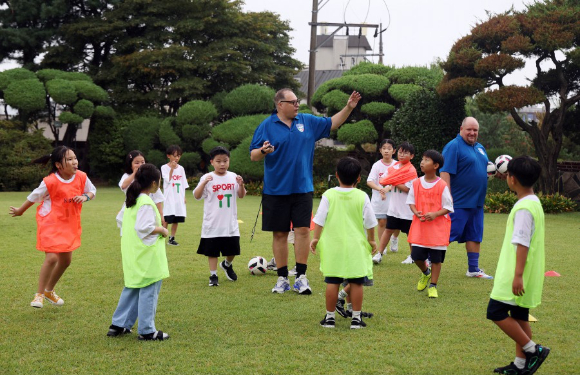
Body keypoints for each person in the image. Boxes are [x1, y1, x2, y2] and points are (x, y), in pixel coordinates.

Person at [250, 88, 361, 295]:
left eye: (297, 101)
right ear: (279, 105)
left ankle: (301, 276)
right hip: (275, 189)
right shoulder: (266, 125)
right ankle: (282, 278)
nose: (296, 105)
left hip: (302, 188)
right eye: (292, 102)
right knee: (280, 233)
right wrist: (263, 151)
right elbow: (254, 156)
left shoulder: (307, 121)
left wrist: (348, 108)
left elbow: (332, 123)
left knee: (302, 231)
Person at [9, 146, 96, 308]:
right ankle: (39, 295)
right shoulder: (50, 181)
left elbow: (92, 191)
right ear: (58, 165)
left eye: (75, 158)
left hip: (69, 224)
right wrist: (20, 210)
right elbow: (34, 196)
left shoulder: (81, 177)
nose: (74, 162)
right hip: (50, 223)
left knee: (66, 261)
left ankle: (49, 291)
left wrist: (85, 197)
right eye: (69, 159)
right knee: (52, 257)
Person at [487, 156, 550, 374]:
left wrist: (517, 275)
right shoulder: (533, 201)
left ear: (511, 179)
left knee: (495, 311)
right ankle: (520, 365)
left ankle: (534, 350)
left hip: (516, 272)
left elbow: (522, 243)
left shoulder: (524, 208)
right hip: (529, 271)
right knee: (519, 315)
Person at [310, 157, 377, 329]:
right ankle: (356, 319)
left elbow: (319, 219)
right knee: (356, 282)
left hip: (333, 246)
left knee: (332, 281)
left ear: (337, 175)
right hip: (356, 246)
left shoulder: (329, 195)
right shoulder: (362, 196)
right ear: (359, 178)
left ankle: (330, 318)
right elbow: (370, 222)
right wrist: (371, 240)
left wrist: (316, 238)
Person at [107, 163, 170, 341]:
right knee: (149, 291)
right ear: (154, 183)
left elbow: (120, 221)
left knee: (132, 288)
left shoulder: (131, 200)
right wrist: (162, 230)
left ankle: (118, 325)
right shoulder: (146, 202)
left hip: (133, 253)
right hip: (147, 257)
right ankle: (147, 330)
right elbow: (144, 228)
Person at [441, 117, 493, 279]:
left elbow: (485, 169)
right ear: (461, 129)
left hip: (477, 202)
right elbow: (445, 172)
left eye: (475, 130)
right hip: (459, 201)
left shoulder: (480, 148)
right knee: (448, 233)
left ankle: (473, 269)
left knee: (475, 234)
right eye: (469, 129)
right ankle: (428, 259)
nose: (472, 133)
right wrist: (447, 197)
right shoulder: (453, 146)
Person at [194, 147, 246, 286]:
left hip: (230, 223)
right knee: (213, 251)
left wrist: (241, 185)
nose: (222, 164)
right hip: (213, 223)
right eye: (218, 161)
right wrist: (204, 183)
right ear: (212, 162)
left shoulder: (233, 176)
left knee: (233, 249)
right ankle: (213, 275)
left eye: (225, 161)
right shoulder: (207, 177)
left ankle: (227, 264)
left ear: (229, 161)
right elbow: (197, 195)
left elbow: (241, 195)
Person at [406, 150, 453, 298]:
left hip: (438, 230)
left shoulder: (442, 185)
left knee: (436, 259)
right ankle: (426, 273)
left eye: (426, 160)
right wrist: (415, 212)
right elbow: (411, 202)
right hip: (420, 228)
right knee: (416, 256)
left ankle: (433, 285)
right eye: (422, 159)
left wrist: (435, 214)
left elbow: (449, 207)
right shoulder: (416, 183)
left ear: (436, 165)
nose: (422, 162)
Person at [377, 142, 418, 265]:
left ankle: (413, 256)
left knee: (410, 234)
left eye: (405, 153)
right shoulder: (393, 168)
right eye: (400, 152)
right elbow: (383, 180)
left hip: (407, 209)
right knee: (388, 230)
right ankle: (379, 254)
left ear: (411, 156)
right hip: (393, 208)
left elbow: (409, 189)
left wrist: (394, 181)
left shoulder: (411, 170)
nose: (402, 155)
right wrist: (393, 181)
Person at [116, 150, 165, 234]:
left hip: (146, 210)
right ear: (130, 164)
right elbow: (123, 186)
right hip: (131, 209)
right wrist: (134, 173)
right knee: (130, 232)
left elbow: (157, 197)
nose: (140, 165)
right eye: (136, 163)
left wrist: (161, 215)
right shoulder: (127, 176)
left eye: (142, 162)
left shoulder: (149, 178)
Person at [368, 139, 401, 264]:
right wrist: (381, 189)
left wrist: (388, 188)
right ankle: (383, 246)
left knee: (396, 223)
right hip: (380, 200)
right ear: (380, 150)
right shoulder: (377, 165)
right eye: (384, 148)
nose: (386, 150)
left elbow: (399, 181)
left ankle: (394, 238)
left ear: (394, 151)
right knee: (382, 222)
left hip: (395, 198)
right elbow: (370, 181)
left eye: (389, 148)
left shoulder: (397, 165)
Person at [161, 145, 189, 246]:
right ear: (169, 156)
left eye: (179, 156)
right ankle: (161, 236)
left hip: (178, 197)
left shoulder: (181, 168)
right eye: (175, 155)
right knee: (167, 218)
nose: (177, 158)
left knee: (176, 218)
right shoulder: (164, 167)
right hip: (169, 196)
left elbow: (183, 183)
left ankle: (172, 238)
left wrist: (184, 196)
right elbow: (167, 180)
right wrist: (172, 169)